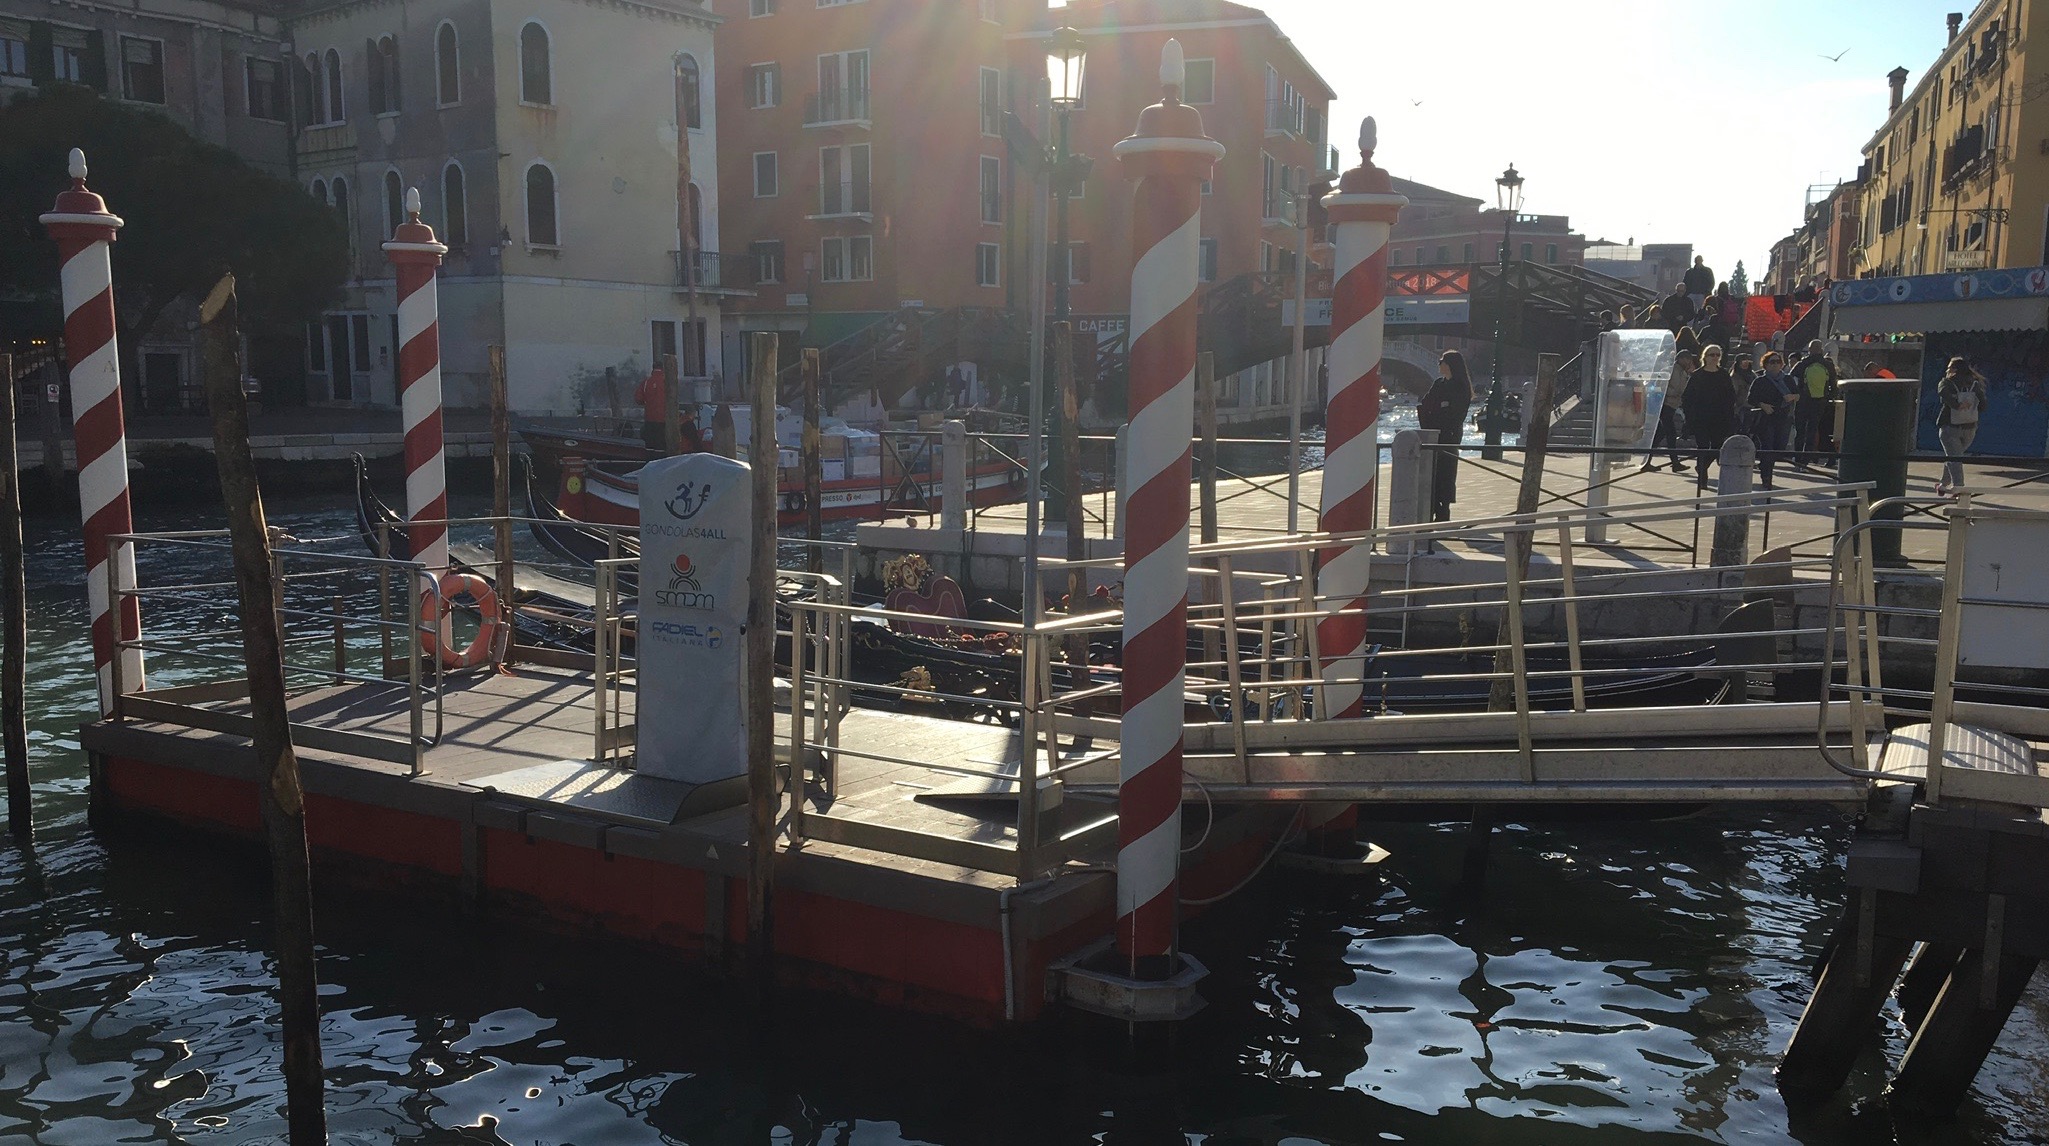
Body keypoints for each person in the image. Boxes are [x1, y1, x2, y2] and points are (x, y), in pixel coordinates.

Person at [1417, 350, 1474, 522]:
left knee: (1446, 472)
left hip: (1449, 435)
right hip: (1432, 434)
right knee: (1431, 472)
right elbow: (1425, 404)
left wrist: (1438, 412)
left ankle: (1443, 511)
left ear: (1449, 365)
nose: (1439, 364)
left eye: (1441, 361)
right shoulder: (1438, 384)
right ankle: (1431, 508)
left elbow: (1455, 414)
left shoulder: (1460, 386)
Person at [1682, 344, 1738, 491]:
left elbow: (1731, 396)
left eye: (1717, 355)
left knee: (1717, 447)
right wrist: (1690, 416)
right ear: (1705, 357)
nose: (1714, 358)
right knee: (1702, 447)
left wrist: (1729, 414)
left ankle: (1701, 467)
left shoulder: (1723, 375)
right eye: (1711, 355)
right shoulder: (1697, 375)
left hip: (1719, 418)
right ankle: (1703, 479)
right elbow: (1687, 397)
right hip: (1701, 417)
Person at [1935, 356, 1987, 496]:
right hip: (1970, 427)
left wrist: (1957, 405)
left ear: (1955, 369)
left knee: (1954, 457)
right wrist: (1971, 407)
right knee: (1954, 456)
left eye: (1949, 367)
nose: (1947, 369)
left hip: (1949, 427)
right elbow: (1983, 404)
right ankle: (1944, 484)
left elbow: (1943, 393)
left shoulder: (1947, 382)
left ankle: (1958, 487)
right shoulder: (1975, 384)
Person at [1746, 351, 1798, 489]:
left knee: (1779, 447)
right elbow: (1751, 399)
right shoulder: (1760, 381)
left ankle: (1765, 466)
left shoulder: (1788, 379)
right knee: (1767, 446)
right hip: (1766, 418)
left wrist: (1791, 397)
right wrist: (1763, 405)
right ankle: (1766, 476)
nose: (1775, 365)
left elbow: (1798, 394)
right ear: (1765, 365)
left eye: (1778, 362)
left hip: (1783, 418)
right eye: (1772, 362)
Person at [1645, 349, 1697, 472]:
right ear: (1681, 359)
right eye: (1687, 359)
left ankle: (1647, 460)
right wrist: (1675, 393)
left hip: (1672, 405)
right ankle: (1675, 462)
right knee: (1671, 433)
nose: (1689, 362)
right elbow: (1660, 387)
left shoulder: (1683, 373)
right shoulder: (1669, 371)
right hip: (1665, 404)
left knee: (1660, 434)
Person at [1790, 340, 1839, 467]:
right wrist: (1830, 398)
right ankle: (1806, 459)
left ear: (1810, 349)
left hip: (1802, 401)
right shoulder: (1827, 364)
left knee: (1800, 431)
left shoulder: (1803, 363)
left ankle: (1798, 458)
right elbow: (1834, 384)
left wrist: (1796, 394)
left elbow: (1790, 378)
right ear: (1821, 349)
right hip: (1820, 402)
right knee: (1813, 431)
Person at [635, 362, 670, 453]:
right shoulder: (667, 381)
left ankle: (650, 462)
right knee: (662, 445)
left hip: (650, 418)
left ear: (653, 368)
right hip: (664, 419)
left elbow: (638, 399)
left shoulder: (646, 382)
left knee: (650, 445)